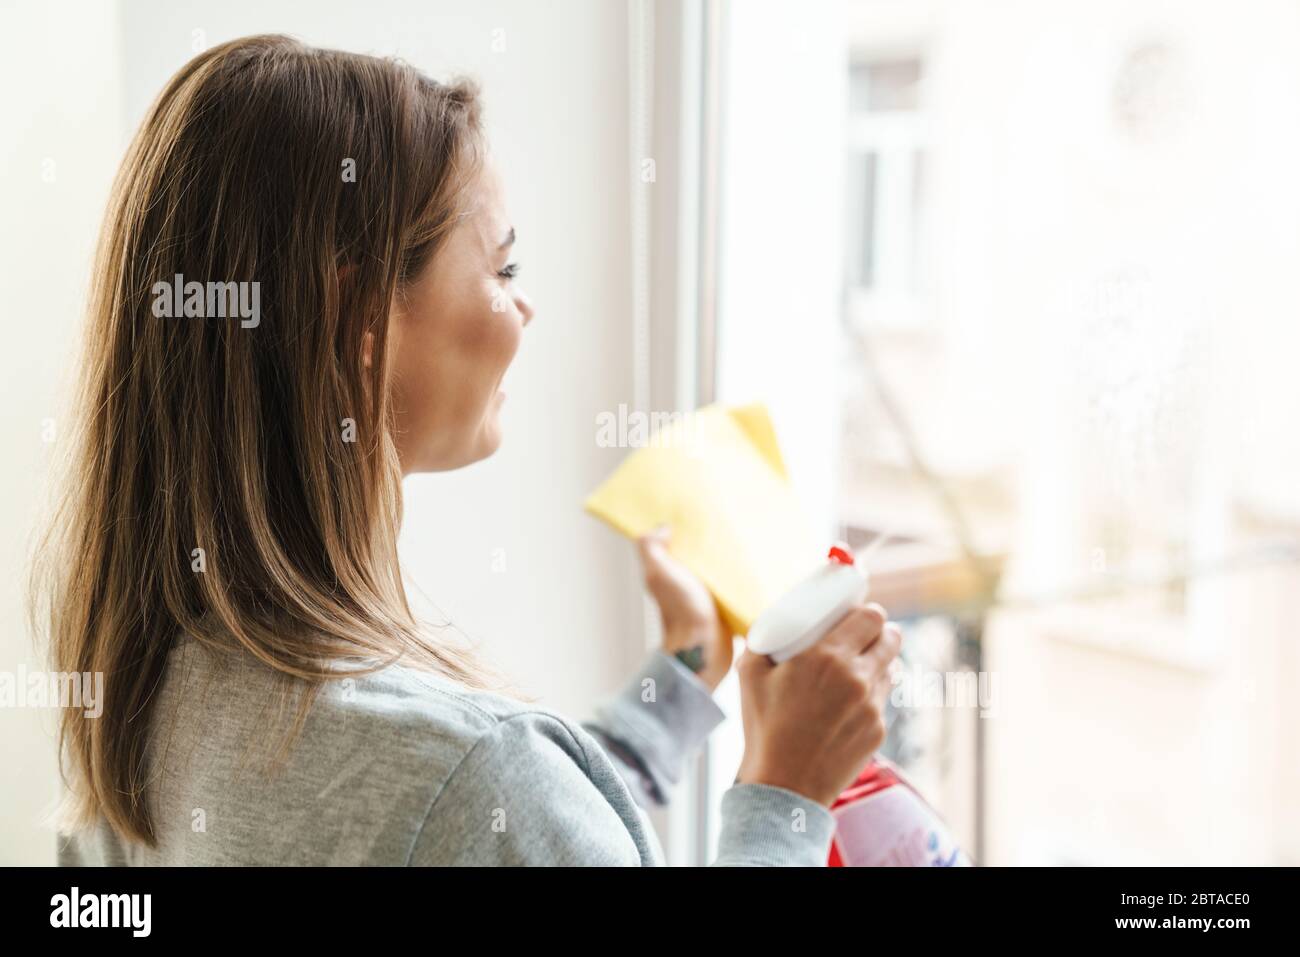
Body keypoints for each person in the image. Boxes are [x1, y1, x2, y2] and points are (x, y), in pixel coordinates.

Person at [38, 35, 901, 866]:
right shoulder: (475, 774)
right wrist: (787, 791)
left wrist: (679, 677)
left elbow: (457, 827)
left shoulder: (135, 711)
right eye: (504, 269)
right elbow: (477, 813)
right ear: (360, 320)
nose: (523, 313)